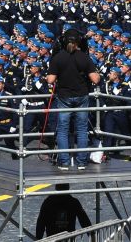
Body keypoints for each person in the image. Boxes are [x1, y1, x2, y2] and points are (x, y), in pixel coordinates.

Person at [46, 29, 100, 170]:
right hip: (81, 96)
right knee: (82, 129)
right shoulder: (84, 57)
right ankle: (82, 162)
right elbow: (95, 79)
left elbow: (50, 80)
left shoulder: (58, 57)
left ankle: (64, 162)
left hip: (64, 96)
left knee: (63, 130)